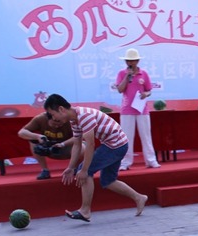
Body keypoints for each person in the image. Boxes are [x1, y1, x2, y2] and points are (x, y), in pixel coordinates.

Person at [44, 94, 148, 222]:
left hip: (115, 145)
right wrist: (70, 167)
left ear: (61, 109)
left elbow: (90, 144)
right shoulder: (74, 120)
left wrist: (84, 170)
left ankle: (85, 210)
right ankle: (139, 198)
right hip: (117, 144)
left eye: (53, 114)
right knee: (108, 181)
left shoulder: (84, 116)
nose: (54, 118)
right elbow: (77, 144)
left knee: (85, 170)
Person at [115, 48, 160, 170]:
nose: (130, 63)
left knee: (146, 136)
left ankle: (151, 160)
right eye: (128, 60)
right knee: (127, 137)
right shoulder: (122, 73)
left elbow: (149, 90)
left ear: (137, 61)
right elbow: (120, 89)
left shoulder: (144, 73)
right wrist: (127, 76)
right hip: (127, 110)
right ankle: (125, 162)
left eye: (132, 60)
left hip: (142, 109)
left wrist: (146, 94)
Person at [18, 111, 77, 180]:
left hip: (68, 147)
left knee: (82, 146)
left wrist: (63, 144)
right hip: (49, 148)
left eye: (60, 124)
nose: (57, 126)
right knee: (33, 141)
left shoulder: (71, 120)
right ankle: (45, 170)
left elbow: (80, 136)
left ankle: (75, 167)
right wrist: (38, 136)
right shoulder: (40, 118)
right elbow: (21, 132)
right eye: (54, 124)